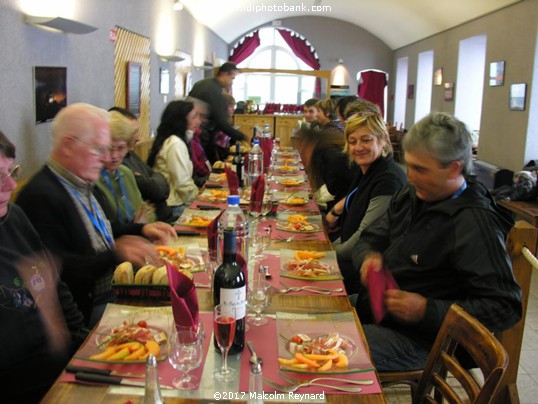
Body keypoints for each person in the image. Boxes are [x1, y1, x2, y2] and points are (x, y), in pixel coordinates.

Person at [352, 112, 522, 372]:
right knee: (305, 321)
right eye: (409, 166)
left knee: (328, 354)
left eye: (420, 169)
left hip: (425, 341)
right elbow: (371, 237)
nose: (409, 176)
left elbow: (504, 307)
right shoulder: (412, 194)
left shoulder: (473, 222)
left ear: (453, 167)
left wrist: (426, 310)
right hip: (379, 313)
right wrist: (367, 257)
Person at [16, 103, 176, 326]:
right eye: (99, 149)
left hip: (111, 291)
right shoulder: (42, 196)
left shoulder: (81, 183)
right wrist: (115, 253)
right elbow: (57, 272)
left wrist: (141, 229)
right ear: (69, 146)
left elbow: (102, 232)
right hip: (86, 311)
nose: (104, 158)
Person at [0, 130, 87, 402]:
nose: (12, 186)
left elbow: (51, 282)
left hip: (59, 369)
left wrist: (81, 340)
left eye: (11, 172)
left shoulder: (14, 218)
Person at [325, 111, 406, 294]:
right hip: (350, 260)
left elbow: (363, 237)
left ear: (383, 139)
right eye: (352, 142)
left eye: (366, 140)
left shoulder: (388, 179)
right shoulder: (368, 171)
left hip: (364, 273)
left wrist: (325, 254)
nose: (358, 147)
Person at [109, 106, 176, 223]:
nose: (137, 137)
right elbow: (156, 191)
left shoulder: (128, 160)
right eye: (109, 148)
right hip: (159, 223)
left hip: (158, 223)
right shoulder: (119, 168)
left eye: (120, 148)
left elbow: (159, 180)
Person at [147, 100, 201, 217]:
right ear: (181, 121)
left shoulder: (175, 140)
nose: (198, 121)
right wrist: (201, 198)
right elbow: (182, 184)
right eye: (194, 117)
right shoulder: (175, 143)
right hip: (174, 206)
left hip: (176, 202)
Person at [95, 111, 149, 225]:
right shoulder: (93, 178)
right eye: (109, 148)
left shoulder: (126, 172)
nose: (114, 156)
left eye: (121, 148)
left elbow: (143, 210)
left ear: (128, 147)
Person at [188, 62, 247, 163]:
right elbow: (222, 123)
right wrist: (242, 137)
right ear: (224, 74)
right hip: (201, 135)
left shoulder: (202, 83)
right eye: (232, 78)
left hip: (191, 133)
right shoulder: (214, 91)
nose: (232, 82)